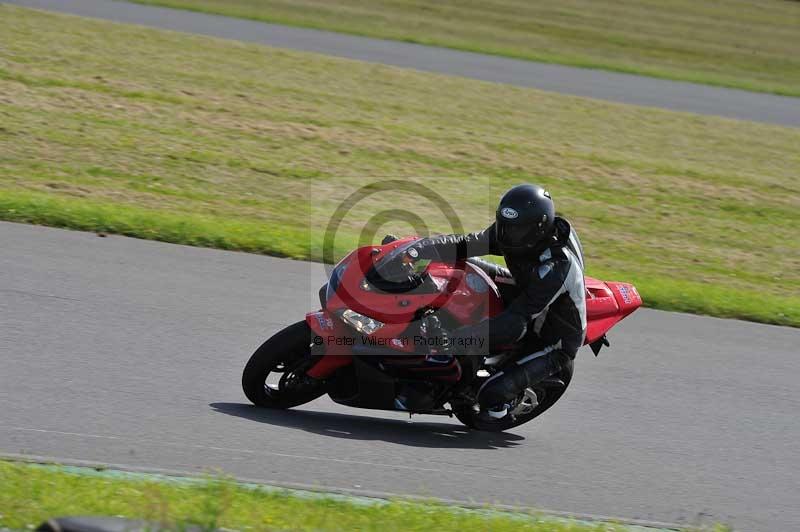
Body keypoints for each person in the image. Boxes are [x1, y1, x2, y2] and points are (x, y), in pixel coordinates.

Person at [404, 184, 587, 416]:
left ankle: (503, 405)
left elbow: (514, 324)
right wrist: (417, 249)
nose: (508, 235)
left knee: (490, 397)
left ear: (538, 228)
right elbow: (464, 244)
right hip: (527, 290)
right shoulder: (510, 232)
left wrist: (451, 340)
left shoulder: (556, 267)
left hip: (552, 339)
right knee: (464, 265)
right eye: (505, 226)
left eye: (516, 230)